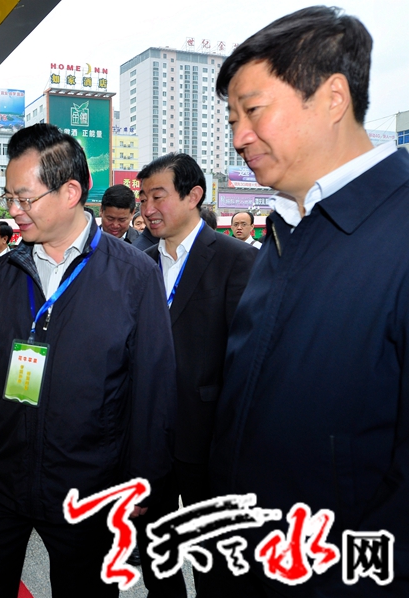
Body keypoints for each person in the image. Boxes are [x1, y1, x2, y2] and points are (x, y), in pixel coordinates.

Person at [211, 6, 409, 595]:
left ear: (332, 97)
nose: (239, 137)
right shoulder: (285, 229)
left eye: (253, 111)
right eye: (232, 119)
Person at [0, 123, 177, 597]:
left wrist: (143, 478)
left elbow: (153, 386)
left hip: (88, 486)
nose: (13, 210)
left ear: (71, 192)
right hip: (2, 473)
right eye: (10, 197)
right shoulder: (4, 271)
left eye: (24, 198)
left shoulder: (134, 275)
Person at [135, 153, 256, 597]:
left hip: (208, 442)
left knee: (215, 561)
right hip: (147, 442)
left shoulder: (235, 260)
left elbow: (246, 361)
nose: (148, 208)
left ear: (193, 196)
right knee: (157, 553)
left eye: (158, 196)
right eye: (143, 198)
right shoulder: (139, 263)